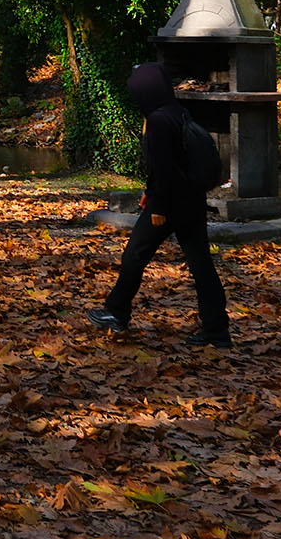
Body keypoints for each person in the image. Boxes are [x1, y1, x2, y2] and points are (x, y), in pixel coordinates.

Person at [87, 62, 232, 347]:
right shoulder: (177, 111)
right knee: (201, 264)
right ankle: (217, 330)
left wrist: (160, 206)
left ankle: (116, 312)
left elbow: (167, 169)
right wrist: (148, 191)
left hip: (170, 204)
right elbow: (172, 161)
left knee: (134, 255)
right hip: (191, 200)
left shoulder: (157, 120)